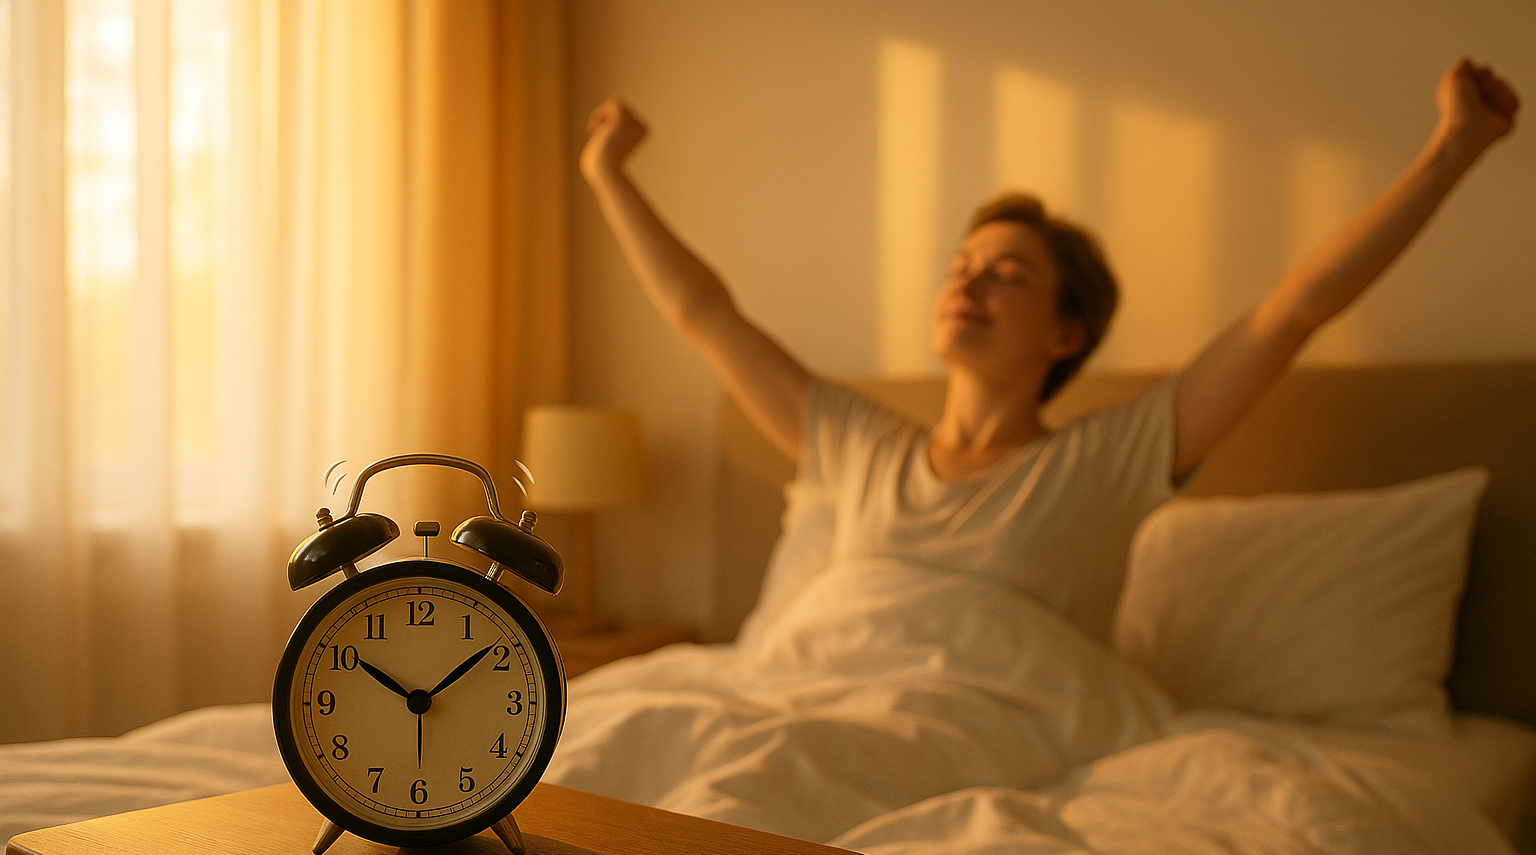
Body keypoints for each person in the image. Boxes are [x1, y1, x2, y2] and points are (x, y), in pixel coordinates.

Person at [579, 59, 1520, 643]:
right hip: (812, 696)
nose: (969, 282)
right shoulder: (858, 447)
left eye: (1008, 274)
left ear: (1066, 334)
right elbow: (703, 311)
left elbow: (1289, 315)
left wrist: (1452, 148)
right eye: (961, 265)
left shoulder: (1104, 463)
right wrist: (607, 175)